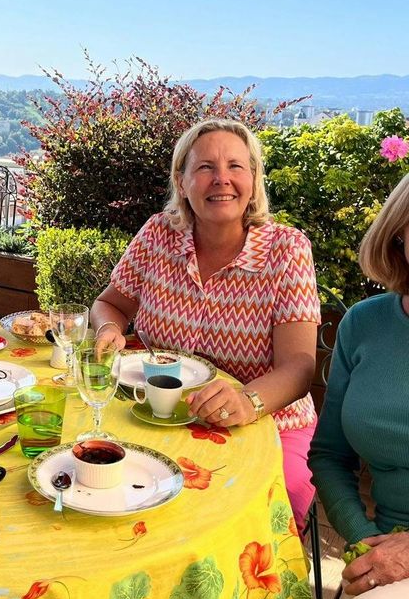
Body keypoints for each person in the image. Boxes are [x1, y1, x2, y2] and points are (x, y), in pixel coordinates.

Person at [91, 118, 320, 528]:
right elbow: (111, 304)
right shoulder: (159, 234)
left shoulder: (286, 249)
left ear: (252, 178)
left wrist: (247, 403)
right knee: (111, 483)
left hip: (266, 421)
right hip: (158, 411)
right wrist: (109, 329)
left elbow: (299, 367)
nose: (222, 179)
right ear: (181, 182)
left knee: (263, 507)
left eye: (235, 166)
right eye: (205, 168)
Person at [308, 174, 409, 599]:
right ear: (399, 233)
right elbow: (330, 453)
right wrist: (361, 537)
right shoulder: (364, 324)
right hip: (382, 548)